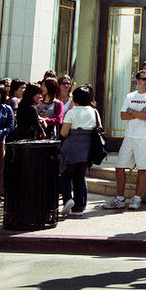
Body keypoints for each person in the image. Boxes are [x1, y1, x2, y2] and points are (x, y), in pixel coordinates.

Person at [103, 70, 146, 210]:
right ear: (137, 81)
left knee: (142, 168)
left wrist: (132, 112)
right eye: (144, 79)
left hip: (144, 137)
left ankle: (137, 198)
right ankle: (120, 198)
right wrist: (138, 113)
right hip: (129, 136)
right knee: (120, 166)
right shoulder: (130, 96)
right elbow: (122, 115)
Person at [58, 85, 99, 217]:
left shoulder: (72, 112)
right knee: (80, 177)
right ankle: (79, 207)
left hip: (71, 149)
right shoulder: (94, 112)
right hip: (87, 150)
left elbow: (64, 133)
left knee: (65, 175)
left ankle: (68, 199)